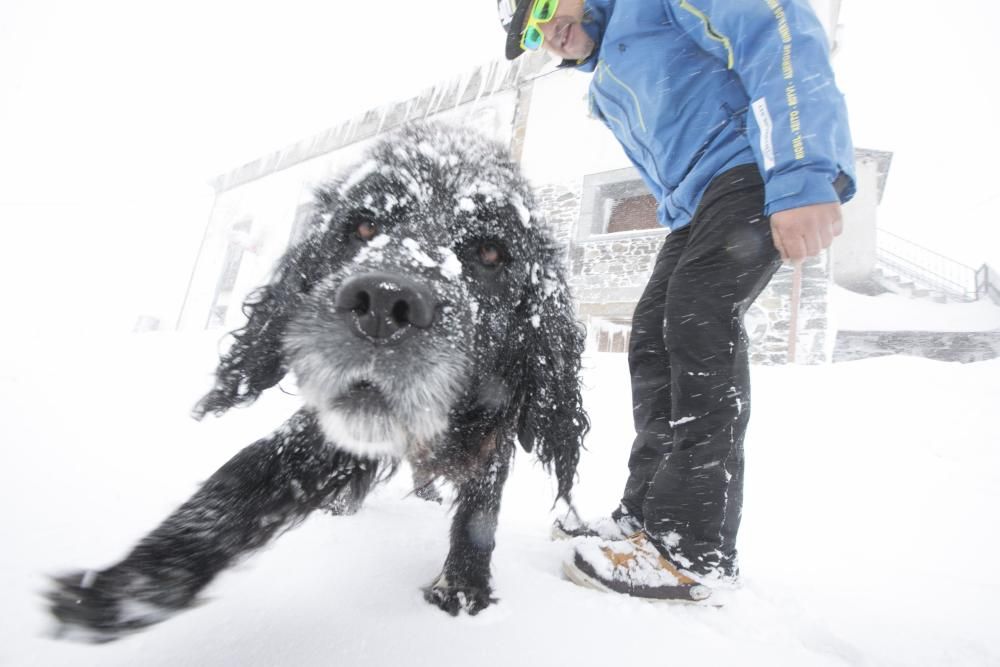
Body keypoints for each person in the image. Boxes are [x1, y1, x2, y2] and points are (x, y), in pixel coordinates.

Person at [497, 0, 855, 601]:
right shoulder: (606, 76)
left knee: (698, 323)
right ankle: (644, 518)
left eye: (546, 6)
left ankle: (692, 546)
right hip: (696, 204)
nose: (545, 30)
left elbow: (774, 27)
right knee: (652, 338)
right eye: (531, 32)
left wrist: (800, 172)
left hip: (752, 165)